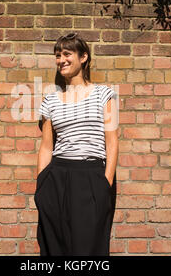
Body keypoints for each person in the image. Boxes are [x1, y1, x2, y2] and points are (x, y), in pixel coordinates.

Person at [35, 32, 119, 256]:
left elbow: (112, 143)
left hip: (91, 176)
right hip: (57, 177)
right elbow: (46, 147)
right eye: (57, 55)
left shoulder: (105, 94)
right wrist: (41, 184)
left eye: (66, 54)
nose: (60, 59)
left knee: (89, 249)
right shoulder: (50, 100)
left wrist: (105, 184)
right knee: (55, 248)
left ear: (83, 57)